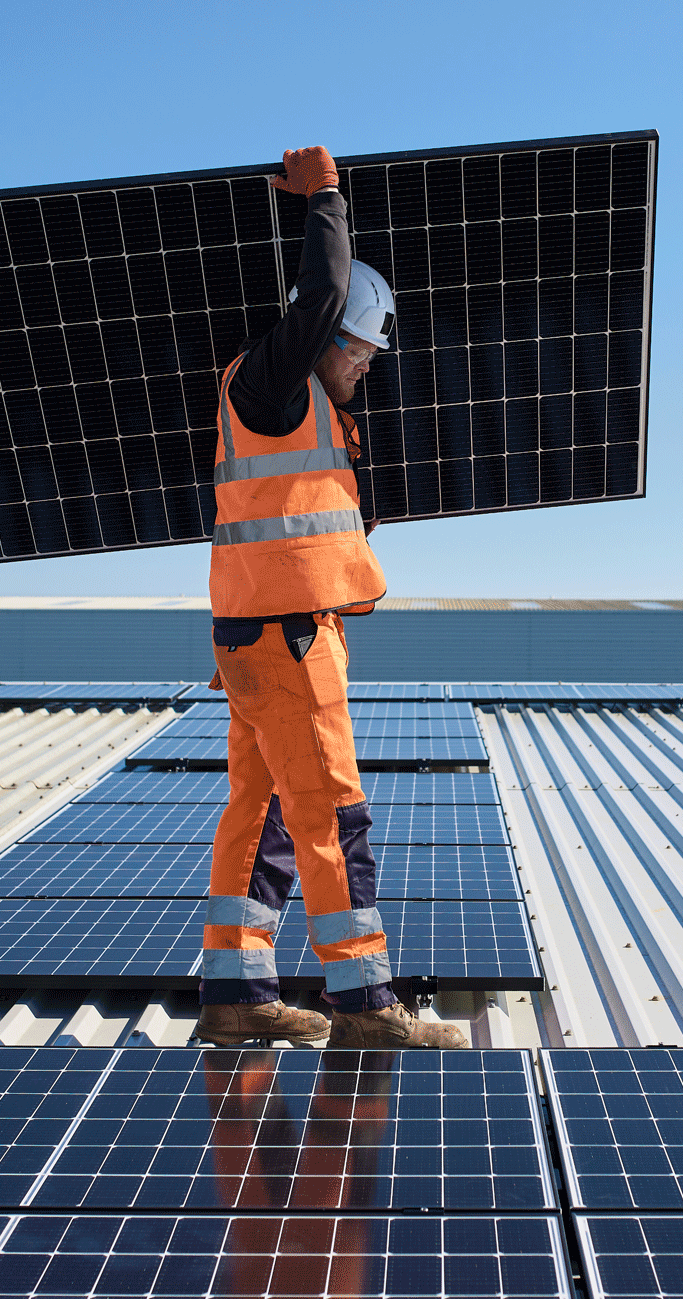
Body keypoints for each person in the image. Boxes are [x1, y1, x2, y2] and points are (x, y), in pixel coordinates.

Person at [193, 145, 467, 1051]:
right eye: (361, 348)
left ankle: (237, 995)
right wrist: (327, 198)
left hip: (256, 634)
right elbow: (317, 295)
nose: (367, 365)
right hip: (287, 641)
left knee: (260, 808)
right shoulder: (274, 379)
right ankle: (366, 1006)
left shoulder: (302, 406)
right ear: (330, 337)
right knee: (331, 813)